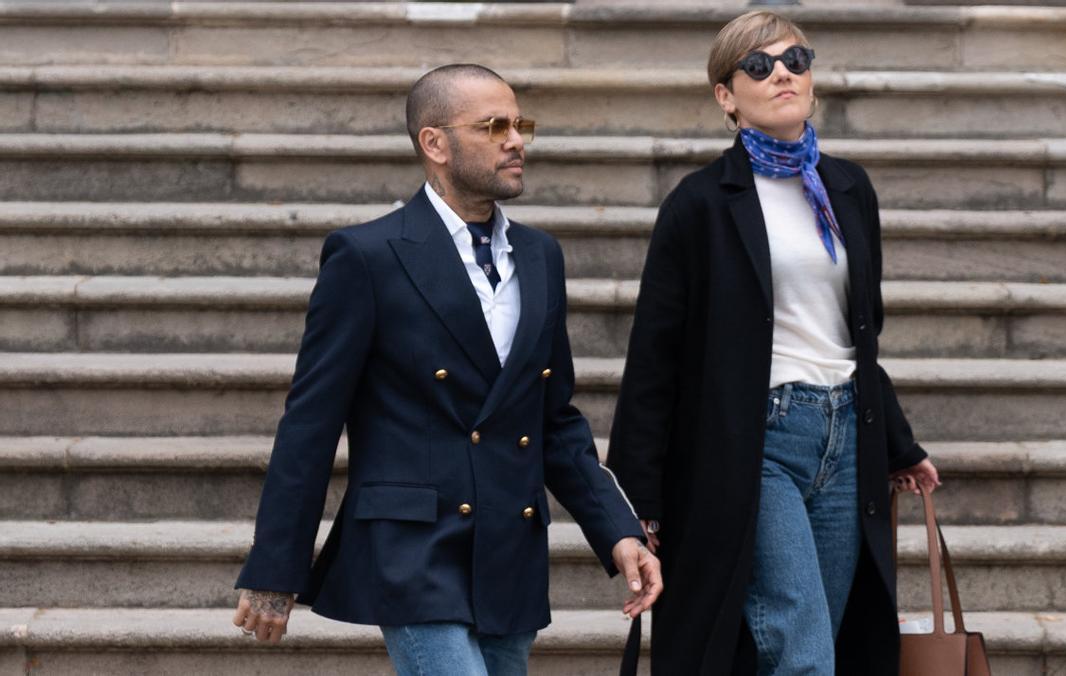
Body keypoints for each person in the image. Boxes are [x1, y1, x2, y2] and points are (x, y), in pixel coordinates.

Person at [230, 63, 661, 676]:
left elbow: (554, 417)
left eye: (519, 124)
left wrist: (617, 531)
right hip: (413, 549)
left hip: (510, 547)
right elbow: (311, 422)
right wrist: (276, 566)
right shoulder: (368, 256)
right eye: (494, 126)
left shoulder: (540, 255)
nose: (516, 140)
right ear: (435, 143)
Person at [606, 11, 940, 676]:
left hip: (846, 436)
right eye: (758, 65)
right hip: (755, 441)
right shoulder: (700, 204)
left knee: (821, 634)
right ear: (726, 96)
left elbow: (859, 333)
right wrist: (636, 498)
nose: (782, 72)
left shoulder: (848, 188)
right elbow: (654, 357)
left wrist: (898, 443)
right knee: (802, 645)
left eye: (796, 59)